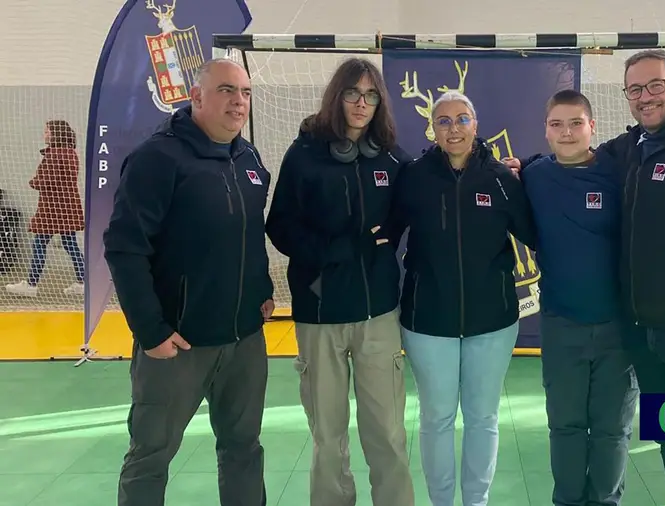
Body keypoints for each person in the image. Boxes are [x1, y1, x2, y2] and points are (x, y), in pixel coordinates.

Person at [505, 50, 665, 506]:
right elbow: (573, 158)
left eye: (655, 86)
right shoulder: (634, 149)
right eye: (635, 89)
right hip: (647, 334)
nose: (645, 97)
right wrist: (520, 167)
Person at [104, 58, 274, 506]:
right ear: (196, 96)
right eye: (226, 91)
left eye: (245, 92)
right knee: (150, 457)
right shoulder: (157, 158)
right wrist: (151, 330)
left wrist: (262, 292)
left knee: (243, 450)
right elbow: (124, 248)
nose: (239, 102)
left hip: (243, 342)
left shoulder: (248, 157)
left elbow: (245, 236)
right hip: (177, 345)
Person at [265, 57, 415, 506]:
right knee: (328, 438)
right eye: (353, 93)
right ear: (338, 96)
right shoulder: (305, 155)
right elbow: (280, 227)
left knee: (387, 433)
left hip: (378, 315)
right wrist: (339, 249)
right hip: (320, 313)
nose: (362, 104)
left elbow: (422, 198)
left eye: (371, 95)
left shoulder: (391, 157)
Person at [386, 91, 537, 506]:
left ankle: (477, 501)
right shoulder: (413, 176)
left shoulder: (501, 180)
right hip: (427, 322)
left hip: (494, 322)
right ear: (432, 128)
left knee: (483, 418)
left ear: (476, 123)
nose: (454, 128)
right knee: (436, 419)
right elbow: (384, 237)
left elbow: (537, 234)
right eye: (444, 121)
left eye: (462, 119)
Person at [519, 89, 638, 506]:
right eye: (557, 124)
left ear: (592, 127)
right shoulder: (534, 177)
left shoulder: (620, 170)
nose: (566, 132)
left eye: (575, 123)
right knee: (566, 427)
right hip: (561, 324)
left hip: (619, 328)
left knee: (611, 430)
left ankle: (605, 501)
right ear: (546, 132)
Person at [5, 119, 86, 297]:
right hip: (68, 206)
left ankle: (31, 284)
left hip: (53, 208)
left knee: (39, 243)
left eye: (47, 131)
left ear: (56, 133)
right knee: (70, 244)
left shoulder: (55, 154)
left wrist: (33, 182)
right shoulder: (71, 153)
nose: (45, 134)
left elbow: (48, 180)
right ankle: (83, 281)